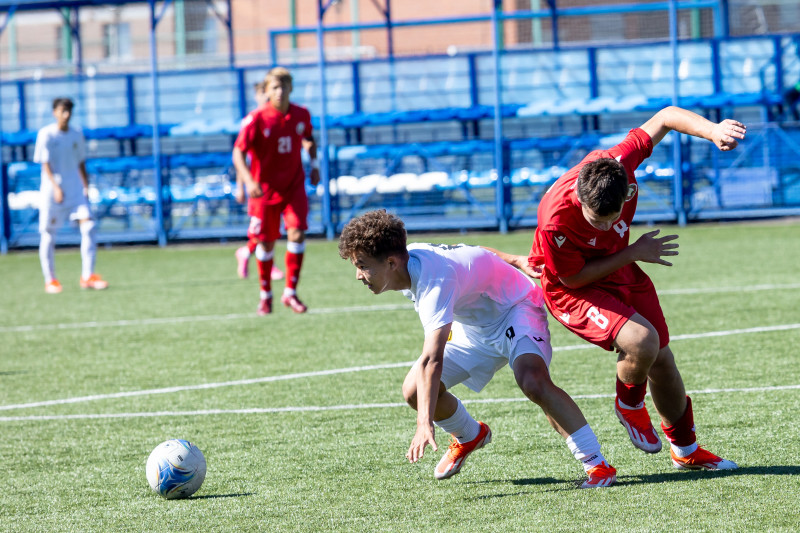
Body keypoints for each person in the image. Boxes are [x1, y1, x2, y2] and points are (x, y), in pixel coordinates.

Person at [496, 106, 745, 471]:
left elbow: (666, 117)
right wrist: (633, 250)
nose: (610, 224)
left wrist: (712, 131)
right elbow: (572, 279)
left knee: (662, 359)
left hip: (619, 267)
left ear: (626, 186)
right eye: (599, 220)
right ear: (580, 200)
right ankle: (628, 404)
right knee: (642, 341)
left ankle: (686, 451)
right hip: (571, 287)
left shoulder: (617, 164)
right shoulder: (555, 220)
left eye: (615, 216)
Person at [338, 209, 617, 488]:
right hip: (474, 328)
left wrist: (425, 422)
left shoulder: (435, 281)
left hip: (515, 309)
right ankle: (470, 435)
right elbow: (472, 251)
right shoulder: (410, 257)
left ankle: (597, 465)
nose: (358, 275)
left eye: (363, 265)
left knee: (533, 381)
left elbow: (432, 360)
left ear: (391, 262)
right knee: (414, 391)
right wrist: (515, 259)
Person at [232, 67, 320, 315]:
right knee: (266, 243)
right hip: (264, 191)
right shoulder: (257, 119)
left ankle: (290, 293)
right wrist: (248, 181)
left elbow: (310, 138)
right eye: (274, 88)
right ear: (267, 91)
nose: (279, 92)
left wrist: (314, 165)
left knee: (297, 234)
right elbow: (238, 152)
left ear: (291, 88)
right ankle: (265, 296)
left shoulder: (301, 114)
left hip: (293, 186)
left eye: (284, 87)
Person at [33, 97, 108, 294]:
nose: (66, 115)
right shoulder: (46, 134)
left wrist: (86, 186)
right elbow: (45, 163)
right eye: (62, 111)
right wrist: (56, 187)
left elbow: (80, 161)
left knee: (89, 226)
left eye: (69, 111)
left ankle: (87, 276)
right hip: (52, 191)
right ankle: (51, 280)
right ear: (54, 112)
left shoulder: (76, 134)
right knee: (48, 235)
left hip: (75, 189)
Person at [234, 80, 284, 283]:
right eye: (262, 93)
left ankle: (246, 253)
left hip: (278, 186)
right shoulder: (253, 121)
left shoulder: (278, 119)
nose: (266, 97)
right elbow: (242, 156)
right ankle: (264, 263)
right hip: (258, 188)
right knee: (261, 229)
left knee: (271, 229)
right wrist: (241, 186)